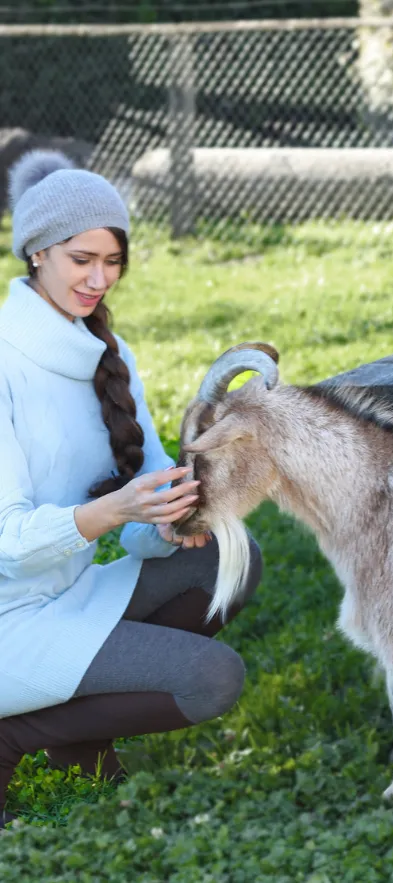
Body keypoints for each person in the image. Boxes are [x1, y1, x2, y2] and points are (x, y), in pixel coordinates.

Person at [0, 150, 262, 827]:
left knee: (230, 553)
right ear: (35, 252)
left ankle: (70, 730)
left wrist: (172, 518)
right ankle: (18, 734)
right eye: (80, 259)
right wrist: (112, 511)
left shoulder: (108, 354)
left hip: (65, 592)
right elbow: (7, 543)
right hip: (9, 618)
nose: (98, 278)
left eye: (112, 261)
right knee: (214, 677)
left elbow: (147, 487)